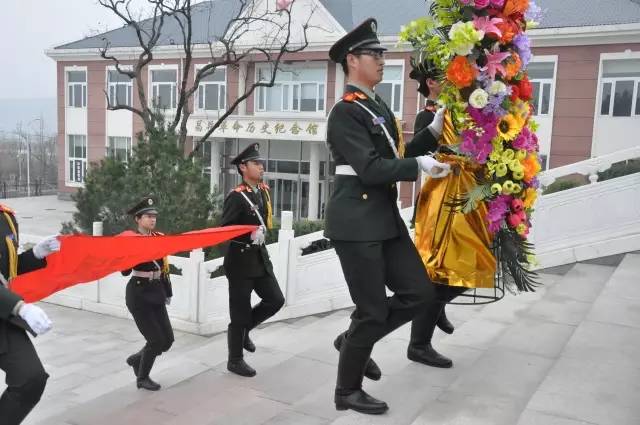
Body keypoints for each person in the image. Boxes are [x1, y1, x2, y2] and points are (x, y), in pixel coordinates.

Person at [325, 18, 451, 415]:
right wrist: (421, 166)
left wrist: (430, 132)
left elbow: (393, 154)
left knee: (419, 292)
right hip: (356, 222)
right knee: (373, 311)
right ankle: (347, 390)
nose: (382, 60)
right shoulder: (344, 113)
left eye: (382, 53)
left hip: (382, 216)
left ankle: (351, 341)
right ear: (352, 60)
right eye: (374, 54)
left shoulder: (374, 105)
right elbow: (371, 168)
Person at [406, 58, 465, 369]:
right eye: (446, 75)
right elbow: (416, 152)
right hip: (438, 206)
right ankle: (419, 345)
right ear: (431, 82)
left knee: (466, 273)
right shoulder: (426, 116)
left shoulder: (461, 112)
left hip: (461, 202)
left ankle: (437, 306)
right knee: (434, 277)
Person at [220, 143, 285, 378]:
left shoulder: (263, 191)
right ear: (242, 167)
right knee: (239, 312)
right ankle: (234, 360)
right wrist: (247, 233)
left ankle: (246, 330)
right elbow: (225, 229)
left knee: (276, 299)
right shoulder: (236, 197)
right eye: (256, 163)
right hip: (239, 261)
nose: (261, 166)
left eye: (260, 163)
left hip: (259, 257)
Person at [0, 203, 58, 424]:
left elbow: (7, 269)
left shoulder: (5, 217)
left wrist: (35, 253)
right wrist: (19, 307)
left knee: (31, 379)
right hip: (10, 306)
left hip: (3, 311)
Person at [122, 197, 174, 391]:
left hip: (157, 291)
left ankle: (137, 359)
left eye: (154, 216)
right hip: (139, 294)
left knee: (167, 340)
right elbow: (124, 271)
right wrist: (134, 251)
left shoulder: (159, 236)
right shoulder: (131, 240)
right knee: (155, 340)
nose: (152, 220)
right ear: (137, 219)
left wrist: (168, 292)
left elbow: (164, 268)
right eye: (148, 216)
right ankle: (142, 378)